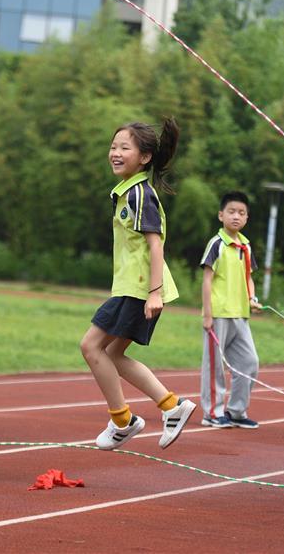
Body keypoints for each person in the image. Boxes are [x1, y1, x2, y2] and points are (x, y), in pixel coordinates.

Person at [81, 117, 196, 451]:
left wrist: (154, 293)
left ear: (144, 157)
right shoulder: (129, 192)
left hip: (140, 288)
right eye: (113, 146)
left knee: (91, 347)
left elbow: (155, 244)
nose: (115, 153)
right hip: (134, 288)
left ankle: (123, 421)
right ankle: (172, 406)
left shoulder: (140, 195)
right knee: (113, 354)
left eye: (124, 147)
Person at [200, 191, 262, 429]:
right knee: (214, 366)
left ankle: (237, 411)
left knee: (249, 363)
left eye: (241, 213)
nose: (236, 216)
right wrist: (207, 314)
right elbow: (207, 280)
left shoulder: (245, 245)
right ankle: (212, 413)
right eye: (231, 212)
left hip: (240, 315)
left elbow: (249, 277)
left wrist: (252, 298)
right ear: (221, 215)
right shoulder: (217, 244)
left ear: (247, 218)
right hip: (218, 314)